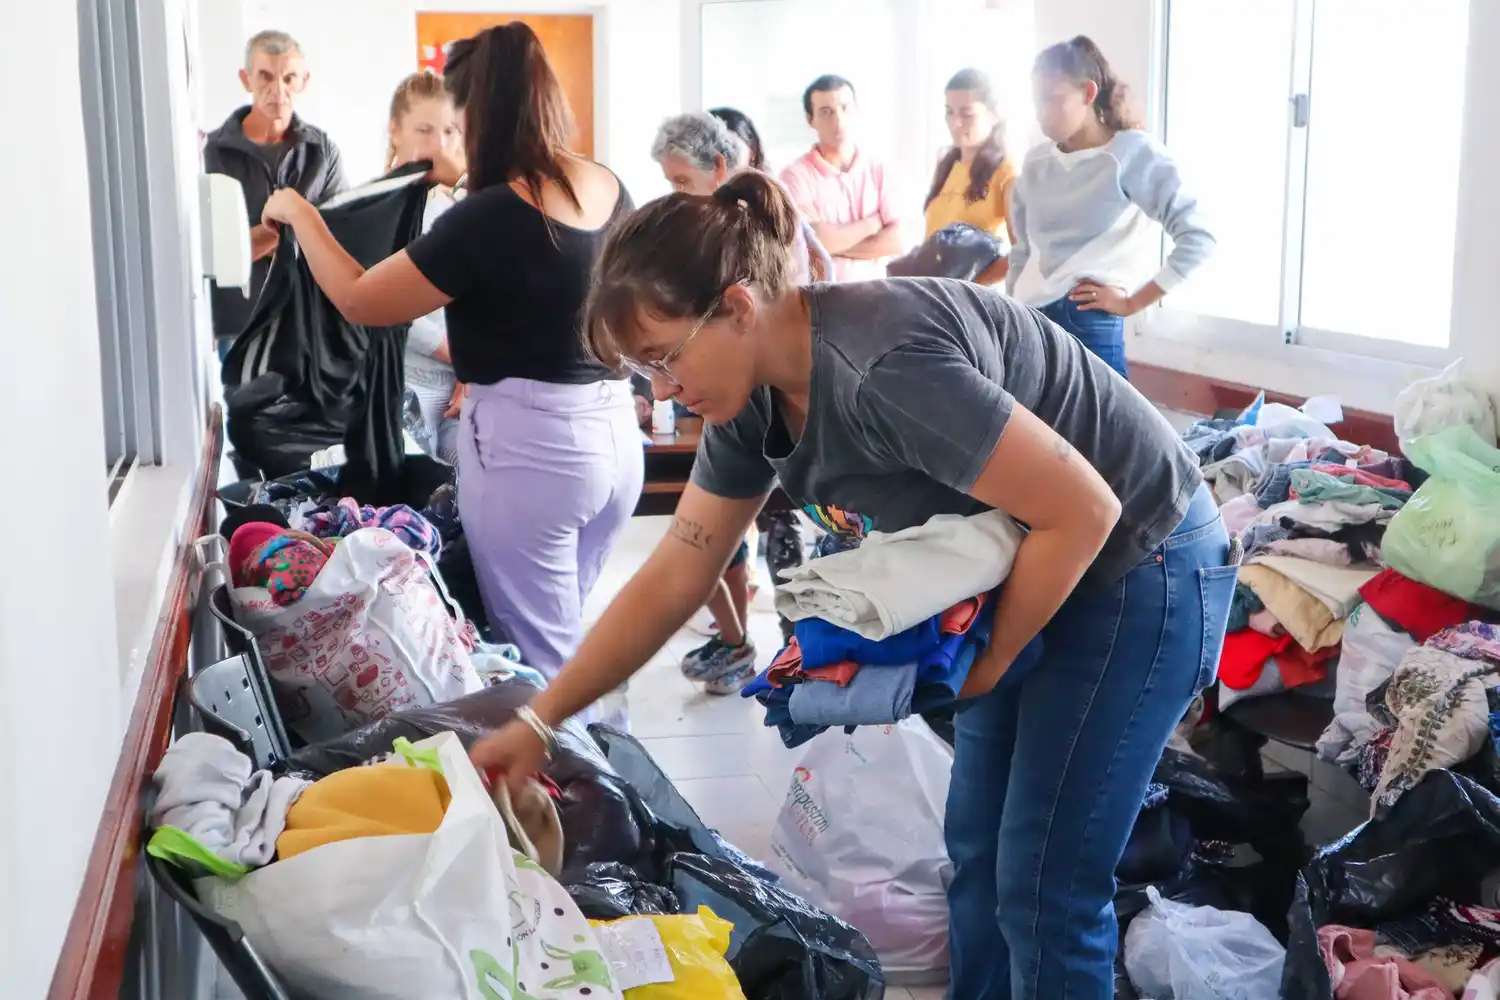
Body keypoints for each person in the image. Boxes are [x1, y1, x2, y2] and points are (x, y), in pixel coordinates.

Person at [470, 171, 1237, 999]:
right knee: (979, 854)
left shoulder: (880, 365)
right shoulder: (748, 398)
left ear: (736, 306)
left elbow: (1086, 509)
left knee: (1048, 884)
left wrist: (986, 666)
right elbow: (675, 573)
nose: (663, 390)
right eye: (642, 371)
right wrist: (538, 719)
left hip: (1139, 558)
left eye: (663, 357)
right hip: (1041, 552)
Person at [258, 24, 642, 719]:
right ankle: (604, 775)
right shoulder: (608, 186)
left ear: (478, 110)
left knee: (544, 665)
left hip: (534, 450)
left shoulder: (489, 214)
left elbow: (361, 299)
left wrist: (300, 215)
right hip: (617, 437)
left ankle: (591, 805)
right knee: (572, 638)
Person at [1008, 36, 1214, 378]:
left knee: (1100, 432)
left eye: (1052, 99)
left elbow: (1199, 237)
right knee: (1028, 432)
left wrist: (1132, 303)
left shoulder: (1132, 154)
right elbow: (1021, 252)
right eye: (1035, 101)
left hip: (1087, 321)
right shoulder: (1036, 162)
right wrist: (1010, 312)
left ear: (1088, 94)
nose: (1041, 113)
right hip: (1026, 323)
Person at [205, 30, 346, 359]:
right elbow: (215, 252)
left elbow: (341, 235)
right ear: (246, 79)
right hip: (238, 329)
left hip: (308, 326)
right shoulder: (210, 153)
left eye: (289, 78)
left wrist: (266, 236)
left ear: (303, 81)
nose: (278, 90)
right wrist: (296, 228)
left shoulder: (322, 152)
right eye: (266, 76)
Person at [385, 70, 464, 464]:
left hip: (461, 394)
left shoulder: (463, 207)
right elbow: (391, 309)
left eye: (450, 132)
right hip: (399, 388)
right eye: (425, 130)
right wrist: (467, 359)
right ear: (395, 130)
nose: (440, 146)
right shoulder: (375, 210)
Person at [780, 75, 901, 282]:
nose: (838, 120)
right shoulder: (794, 176)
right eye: (826, 112)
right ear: (810, 119)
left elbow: (897, 241)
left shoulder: (878, 169)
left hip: (876, 300)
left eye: (845, 108)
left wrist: (835, 243)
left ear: (857, 111)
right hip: (823, 303)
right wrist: (872, 224)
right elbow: (813, 244)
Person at [923, 67, 1015, 286]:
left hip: (973, 300)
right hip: (933, 296)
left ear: (994, 114)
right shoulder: (945, 164)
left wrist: (969, 287)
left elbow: (1021, 253)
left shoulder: (1006, 172)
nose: (955, 123)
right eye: (949, 112)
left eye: (967, 113)